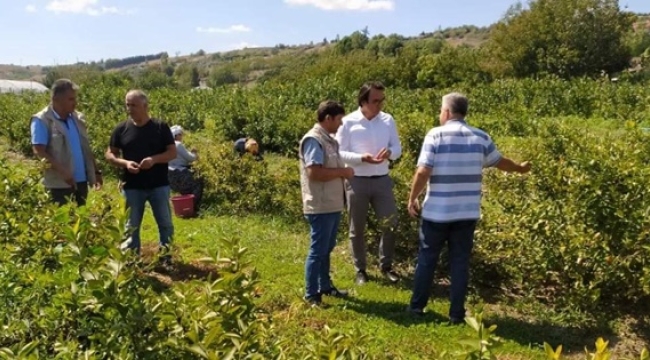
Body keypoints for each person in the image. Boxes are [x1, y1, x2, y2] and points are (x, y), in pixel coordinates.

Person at [406, 92, 532, 324]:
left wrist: (412, 197)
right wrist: (521, 168)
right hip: (467, 212)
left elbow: (424, 170)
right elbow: (499, 161)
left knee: (427, 259)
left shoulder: (436, 135)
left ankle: (417, 307)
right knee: (460, 262)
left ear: (446, 112)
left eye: (440, 110)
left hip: (437, 212)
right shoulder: (481, 137)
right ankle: (456, 313)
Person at [335, 81, 402, 285]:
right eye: (375, 101)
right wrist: (361, 158)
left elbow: (397, 148)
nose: (380, 105)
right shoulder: (347, 122)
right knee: (357, 228)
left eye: (382, 100)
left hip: (382, 179)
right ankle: (360, 270)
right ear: (363, 101)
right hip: (357, 180)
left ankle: (386, 266)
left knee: (391, 223)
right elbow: (339, 153)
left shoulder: (388, 120)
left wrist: (390, 153)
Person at [105, 89, 177, 265]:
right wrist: (125, 163)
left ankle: (165, 257)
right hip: (132, 186)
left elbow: (172, 152)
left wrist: (154, 159)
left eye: (133, 105)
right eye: (127, 105)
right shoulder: (121, 129)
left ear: (145, 106)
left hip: (158, 184)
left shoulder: (160, 127)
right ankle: (131, 260)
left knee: (165, 223)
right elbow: (110, 154)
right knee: (131, 225)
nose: (130, 109)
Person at [298, 100, 355, 306]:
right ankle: (312, 294)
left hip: (332, 203)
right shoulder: (314, 140)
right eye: (339, 119)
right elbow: (314, 172)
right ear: (328, 118)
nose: (341, 124)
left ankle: (325, 286)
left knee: (326, 247)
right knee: (318, 250)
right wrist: (344, 172)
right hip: (320, 204)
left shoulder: (329, 141)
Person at [30, 78, 103, 207]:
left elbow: (85, 148)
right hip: (58, 184)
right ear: (56, 99)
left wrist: (96, 172)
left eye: (75, 98)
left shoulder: (77, 118)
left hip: (80, 181)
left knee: (79, 221)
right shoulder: (42, 120)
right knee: (62, 222)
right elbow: (39, 151)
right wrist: (63, 172)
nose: (75, 102)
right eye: (71, 99)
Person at [168, 125, 204, 214]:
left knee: (186, 188)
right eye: (180, 134)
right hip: (180, 173)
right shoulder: (178, 144)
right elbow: (190, 158)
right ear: (176, 135)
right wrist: (195, 153)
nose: (181, 136)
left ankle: (184, 209)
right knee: (198, 182)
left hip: (170, 175)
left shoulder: (167, 145)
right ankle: (193, 207)